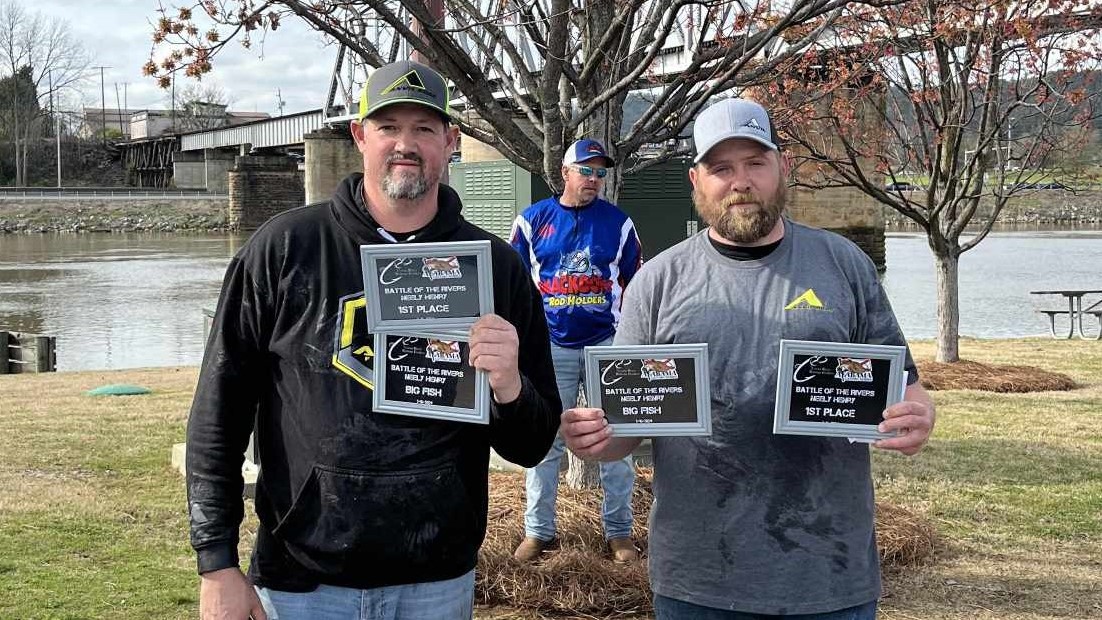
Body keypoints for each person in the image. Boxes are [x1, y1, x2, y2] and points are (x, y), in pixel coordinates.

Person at [186, 60, 562, 620]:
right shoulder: (284, 248)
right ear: (360, 136)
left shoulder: (496, 269)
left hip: (436, 580)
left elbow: (530, 446)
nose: (405, 145)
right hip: (302, 582)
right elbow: (219, 410)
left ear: (451, 142)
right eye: (388, 127)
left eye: (424, 129)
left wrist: (508, 386)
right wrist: (216, 562)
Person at [559, 98, 936, 618]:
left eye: (755, 163)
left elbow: (904, 391)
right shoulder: (657, 282)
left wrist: (917, 418)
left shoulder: (844, 264)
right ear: (696, 180)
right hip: (698, 577)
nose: (740, 182)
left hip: (829, 571)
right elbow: (626, 428)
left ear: (782, 168)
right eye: (722, 168)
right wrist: (596, 441)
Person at [508, 138, 643, 563]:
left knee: (615, 439)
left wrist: (630, 340)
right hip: (551, 346)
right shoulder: (532, 221)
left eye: (601, 172)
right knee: (544, 440)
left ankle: (619, 532)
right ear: (565, 173)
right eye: (586, 170)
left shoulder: (619, 224)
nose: (594, 179)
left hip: (606, 344)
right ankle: (538, 532)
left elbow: (634, 284)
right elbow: (515, 285)